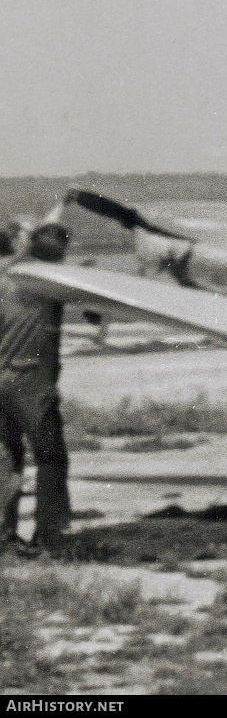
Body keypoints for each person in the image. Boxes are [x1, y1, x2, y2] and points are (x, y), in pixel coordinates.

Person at [0, 222, 71, 555]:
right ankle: (48, 536)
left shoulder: (5, 278)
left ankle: (4, 535)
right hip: (31, 385)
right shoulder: (50, 285)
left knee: (8, 458)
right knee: (51, 457)